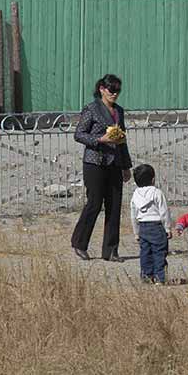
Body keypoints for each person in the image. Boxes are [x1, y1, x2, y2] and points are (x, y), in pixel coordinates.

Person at [71, 74, 132, 262]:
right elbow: (79, 134)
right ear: (102, 89)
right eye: (111, 90)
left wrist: (126, 166)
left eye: (117, 90)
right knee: (94, 203)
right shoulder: (91, 108)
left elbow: (122, 140)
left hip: (115, 162)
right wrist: (99, 140)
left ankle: (111, 250)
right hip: (95, 162)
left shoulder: (119, 111)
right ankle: (79, 243)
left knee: (114, 207)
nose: (114, 94)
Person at [129, 163, 172, 284]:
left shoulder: (135, 195)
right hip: (157, 226)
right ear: (153, 179)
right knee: (159, 253)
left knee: (145, 253)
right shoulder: (157, 193)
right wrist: (167, 228)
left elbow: (133, 215)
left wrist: (136, 232)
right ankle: (160, 278)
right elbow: (164, 212)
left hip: (143, 227)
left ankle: (146, 276)